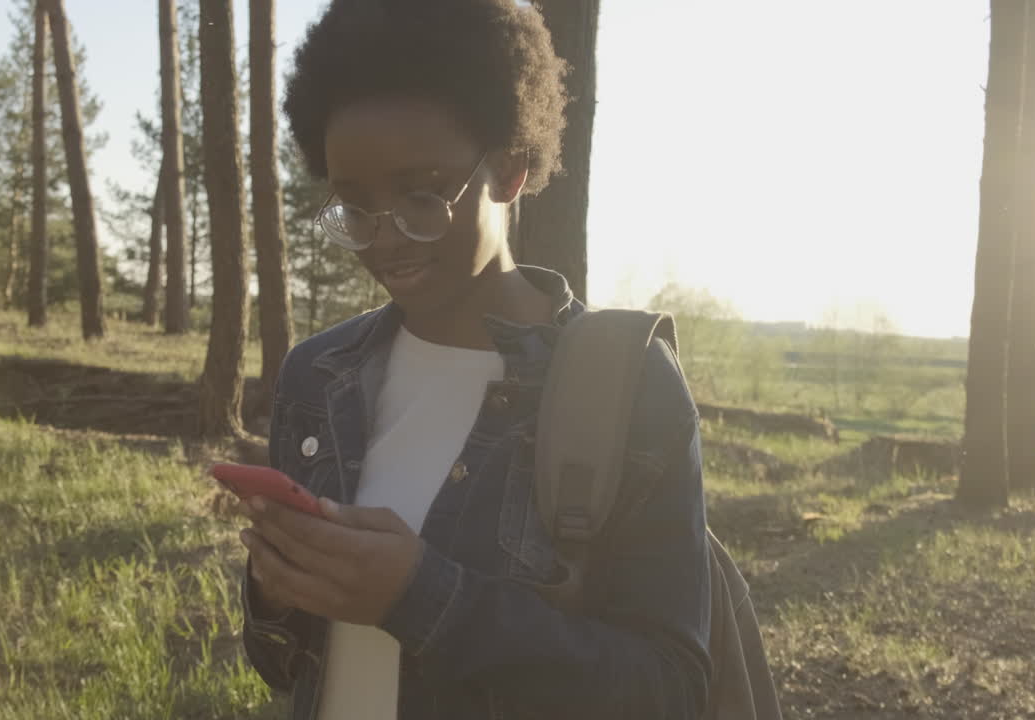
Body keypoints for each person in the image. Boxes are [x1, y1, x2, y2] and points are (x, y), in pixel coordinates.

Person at [237, 1, 712, 718]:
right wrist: (277, 589)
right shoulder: (318, 376)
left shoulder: (626, 385)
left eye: (422, 192)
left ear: (512, 168)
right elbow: (280, 666)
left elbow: (669, 689)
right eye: (353, 204)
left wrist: (421, 597)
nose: (383, 237)